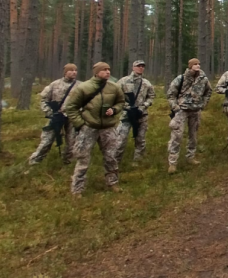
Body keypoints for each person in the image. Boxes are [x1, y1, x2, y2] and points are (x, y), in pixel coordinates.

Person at [65, 62, 126, 197]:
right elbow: (71, 107)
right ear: (97, 72)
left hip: (108, 128)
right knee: (83, 158)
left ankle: (112, 183)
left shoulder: (114, 87)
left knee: (111, 157)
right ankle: (77, 188)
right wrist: (80, 124)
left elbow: (121, 102)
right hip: (89, 127)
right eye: (104, 70)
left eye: (109, 69)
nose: (108, 72)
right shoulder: (84, 88)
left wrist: (114, 110)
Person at [167, 58, 213, 172]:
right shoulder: (181, 78)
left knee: (193, 135)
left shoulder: (203, 79)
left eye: (199, 64)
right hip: (181, 110)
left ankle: (190, 157)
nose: (198, 65)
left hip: (195, 110)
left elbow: (209, 91)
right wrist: (175, 107)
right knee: (177, 135)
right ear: (190, 66)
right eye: (195, 64)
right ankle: (172, 163)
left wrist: (203, 103)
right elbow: (171, 93)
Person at [28, 63, 78, 166]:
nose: (74, 72)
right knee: (47, 140)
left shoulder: (80, 86)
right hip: (56, 117)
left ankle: (68, 163)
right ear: (65, 72)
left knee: (72, 142)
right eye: (71, 70)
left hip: (72, 117)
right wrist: (49, 112)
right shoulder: (54, 84)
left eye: (75, 70)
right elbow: (44, 99)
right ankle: (34, 162)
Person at [115, 60, 156, 165]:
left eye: (142, 66)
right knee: (120, 140)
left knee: (140, 140)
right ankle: (115, 162)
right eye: (138, 66)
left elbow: (151, 96)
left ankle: (137, 162)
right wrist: (126, 106)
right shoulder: (123, 81)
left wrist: (144, 106)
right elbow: (116, 96)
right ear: (133, 67)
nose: (141, 68)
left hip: (141, 115)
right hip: (126, 115)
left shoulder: (146, 83)